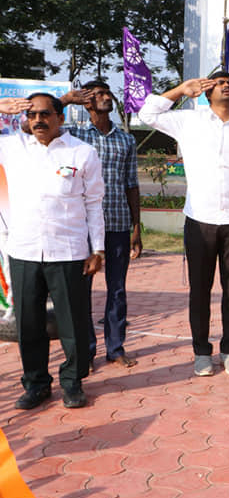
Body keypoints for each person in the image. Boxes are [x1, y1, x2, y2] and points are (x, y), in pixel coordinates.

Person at [138, 74, 229, 377]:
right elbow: (147, 113)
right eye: (219, 82)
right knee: (200, 289)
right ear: (208, 92)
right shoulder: (189, 121)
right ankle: (201, 351)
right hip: (200, 219)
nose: (226, 85)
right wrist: (181, 90)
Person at [0, 94, 105, 408]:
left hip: (69, 252)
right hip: (24, 250)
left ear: (60, 117)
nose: (37, 121)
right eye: (31, 115)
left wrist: (97, 249)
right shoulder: (11, 147)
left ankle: (72, 383)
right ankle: (36, 384)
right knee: (28, 324)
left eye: (45, 114)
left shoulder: (82, 153)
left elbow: (94, 204)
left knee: (72, 323)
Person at [61, 81, 141, 369]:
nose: (107, 97)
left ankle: (116, 347)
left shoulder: (126, 139)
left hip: (118, 224)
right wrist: (65, 100)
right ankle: (85, 351)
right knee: (82, 291)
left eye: (108, 93)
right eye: (98, 95)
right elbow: (38, 124)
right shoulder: (73, 135)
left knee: (117, 289)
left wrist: (137, 228)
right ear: (87, 102)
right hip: (82, 227)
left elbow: (132, 184)